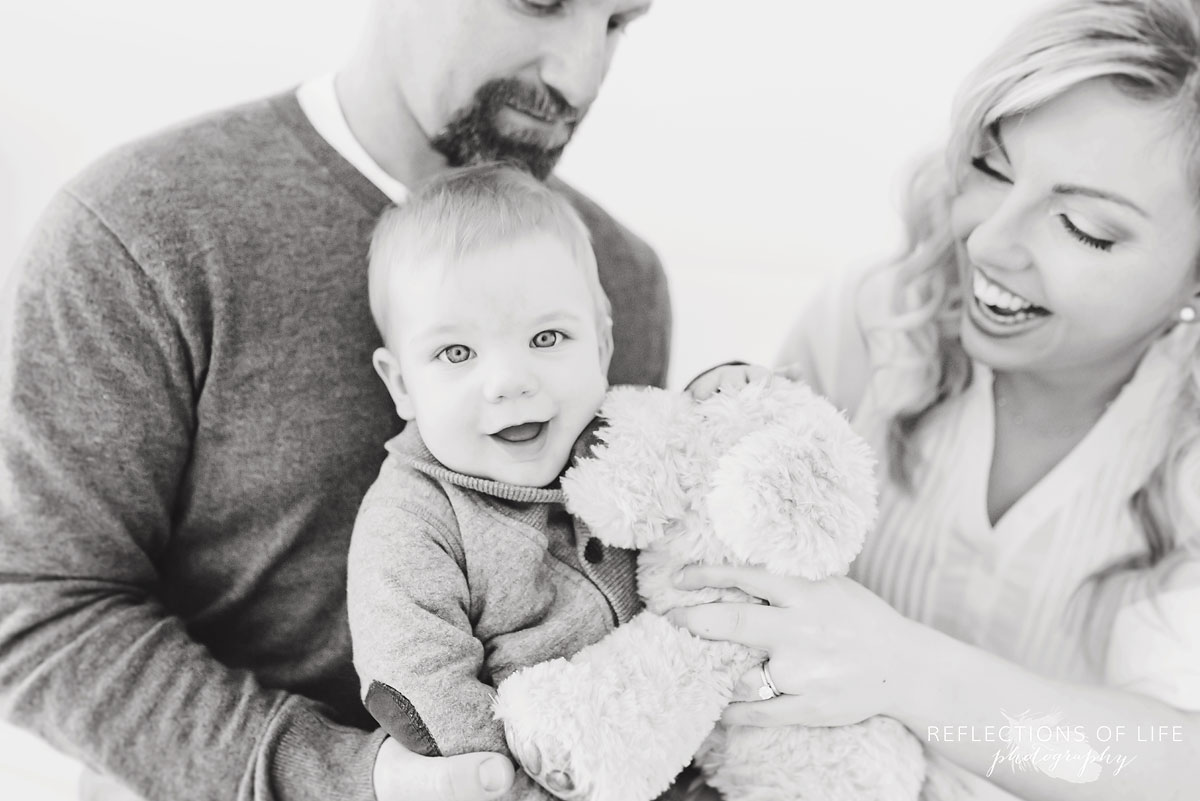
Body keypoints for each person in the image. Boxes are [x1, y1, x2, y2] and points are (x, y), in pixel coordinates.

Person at [0, 1, 669, 799]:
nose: (580, 72)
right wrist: (348, 779)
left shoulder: (618, 276)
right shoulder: (140, 228)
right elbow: (39, 611)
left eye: (618, 21)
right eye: (542, 1)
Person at [682, 0, 1200, 798]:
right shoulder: (869, 322)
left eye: (1084, 225)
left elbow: (1178, 765)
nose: (989, 242)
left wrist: (903, 671)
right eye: (992, 169)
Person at [347, 164, 638, 800]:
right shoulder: (413, 518)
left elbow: (718, 482)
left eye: (547, 337)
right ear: (401, 385)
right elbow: (422, 685)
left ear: (603, 348)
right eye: (457, 354)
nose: (508, 379)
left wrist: (731, 393)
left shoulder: (627, 445)